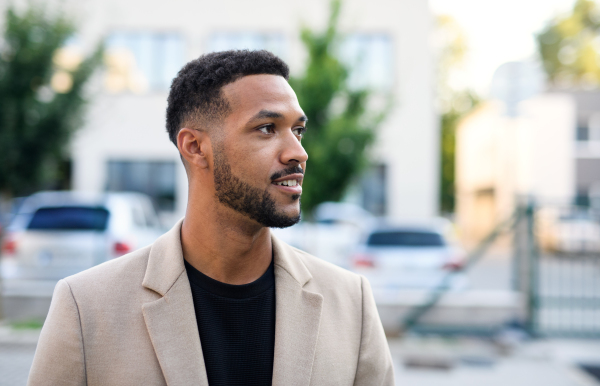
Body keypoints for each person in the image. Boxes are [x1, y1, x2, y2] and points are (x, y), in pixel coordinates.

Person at [28, 50, 394, 386]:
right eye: (267, 128)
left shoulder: (351, 304)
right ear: (195, 147)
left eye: (298, 130)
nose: (298, 152)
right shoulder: (86, 307)